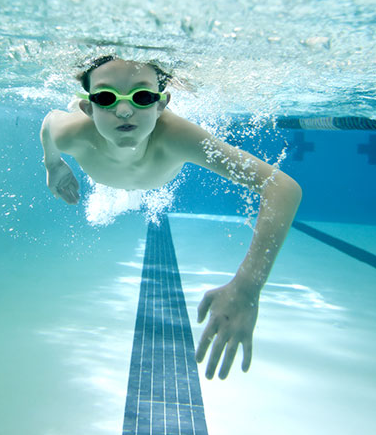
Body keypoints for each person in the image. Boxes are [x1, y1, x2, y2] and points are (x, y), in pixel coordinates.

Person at [40, 55, 302, 379]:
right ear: (88, 108)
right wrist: (53, 166)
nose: (124, 111)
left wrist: (248, 287)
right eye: (106, 98)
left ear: (161, 104)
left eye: (143, 97)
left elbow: (282, 188)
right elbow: (50, 122)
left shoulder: (178, 137)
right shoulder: (73, 133)